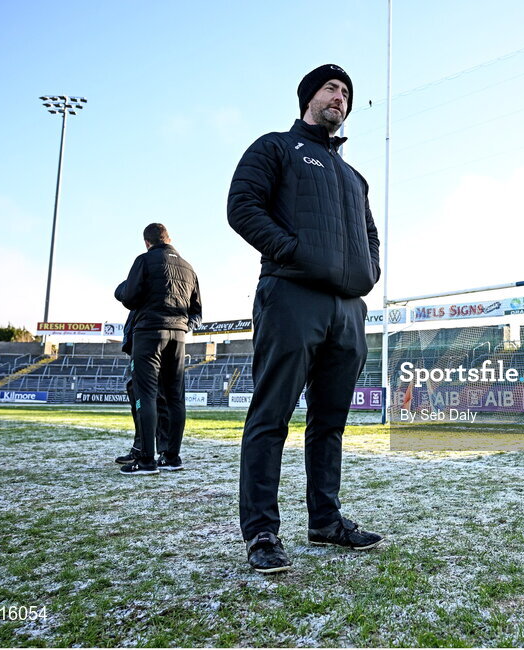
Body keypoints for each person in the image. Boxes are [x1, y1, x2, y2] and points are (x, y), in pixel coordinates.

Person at [227, 64, 383, 573]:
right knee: (271, 416)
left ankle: (326, 520)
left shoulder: (352, 176)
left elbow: (371, 236)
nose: (339, 97)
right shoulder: (276, 147)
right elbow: (242, 206)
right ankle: (262, 534)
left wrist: (369, 272)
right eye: (331, 88)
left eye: (346, 93)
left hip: (347, 310)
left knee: (330, 423)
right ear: (309, 97)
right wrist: (290, 251)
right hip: (291, 295)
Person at [114, 223, 202, 475]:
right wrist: (183, 325)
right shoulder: (188, 267)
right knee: (175, 397)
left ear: (147, 242)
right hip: (179, 335)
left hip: (149, 332)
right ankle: (172, 457)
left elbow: (129, 298)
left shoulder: (144, 260)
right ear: (169, 238)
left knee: (146, 394)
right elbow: (197, 309)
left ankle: (146, 461)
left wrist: (122, 291)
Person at [113, 310, 172, 469]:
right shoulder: (142, 297)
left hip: (154, 344)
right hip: (138, 347)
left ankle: (164, 452)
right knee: (137, 401)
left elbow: (194, 313)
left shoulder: (156, 292)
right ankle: (139, 448)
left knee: (158, 401)